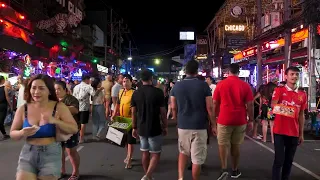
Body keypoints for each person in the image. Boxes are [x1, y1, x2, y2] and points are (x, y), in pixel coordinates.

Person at [10, 74, 78, 180]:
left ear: (49, 91)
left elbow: (74, 129)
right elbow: (13, 133)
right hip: (28, 153)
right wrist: (21, 133)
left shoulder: (59, 107)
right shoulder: (23, 109)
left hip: (51, 153)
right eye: (33, 88)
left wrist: (54, 121)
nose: (36, 92)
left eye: (41, 88)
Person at [170, 60, 215, 180]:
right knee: (197, 159)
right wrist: (214, 125)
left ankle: (180, 178)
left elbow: (173, 106)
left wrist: (175, 118)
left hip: (183, 125)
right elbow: (210, 107)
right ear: (197, 71)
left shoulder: (176, 86)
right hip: (200, 125)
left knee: (183, 152)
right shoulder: (204, 85)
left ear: (185, 71)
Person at [213, 63, 254, 179]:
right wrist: (251, 120)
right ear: (238, 72)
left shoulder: (220, 85)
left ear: (228, 72)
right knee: (235, 146)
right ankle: (235, 170)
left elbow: (215, 103)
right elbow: (250, 104)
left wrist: (215, 117)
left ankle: (224, 168)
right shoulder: (245, 85)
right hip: (240, 120)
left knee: (222, 145)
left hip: (224, 119)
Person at [271, 66, 307, 180]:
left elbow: (301, 115)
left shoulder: (302, 94)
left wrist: (301, 134)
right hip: (279, 130)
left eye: (296, 74)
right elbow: (273, 105)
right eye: (292, 74)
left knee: (289, 160)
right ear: (285, 76)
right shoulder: (279, 90)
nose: (294, 76)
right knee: (279, 160)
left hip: (294, 132)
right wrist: (290, 111)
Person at [131, 69, 168, 180]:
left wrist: (134, 127)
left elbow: (133, 112)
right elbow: (163, 112)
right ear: (151, 78)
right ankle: (147, 175)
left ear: (141, 80)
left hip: (141, 127)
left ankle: (148, 176)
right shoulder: (158, 92)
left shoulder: (136, 93)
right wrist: (165, 125)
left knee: (145, 153)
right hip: (155, 127)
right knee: (156, 154)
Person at [55, 81, 81, 180]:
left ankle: (76, 172)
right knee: (59, 152)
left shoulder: (71, 99)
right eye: (55, 89)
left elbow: (75, 110)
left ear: (65, 90)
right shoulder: (52, 100)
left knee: (71, 151)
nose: (56, 91)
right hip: (57, 129)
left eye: (58, 89)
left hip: (69, 130)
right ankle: (62, 171)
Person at [111, 74, 136, 169]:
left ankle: (129, 159)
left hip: (131, 119)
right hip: (122, 119)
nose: (125, 83)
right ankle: (129, 155)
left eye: (127, 81)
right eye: (124, 81)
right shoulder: (121, 91)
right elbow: (117, 104)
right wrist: (114, 115)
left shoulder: (134, 93)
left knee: (130, 140)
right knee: (125, 140)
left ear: (131, 82)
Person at [73, 75, 101, 143]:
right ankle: (81, 139)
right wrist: (99, 90)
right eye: (89, 80)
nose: (90, 81)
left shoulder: (76, 86)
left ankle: (76, 137)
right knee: (83, 123)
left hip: (76, 106)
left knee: (77, 122)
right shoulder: (88, 86)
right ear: (86, 79)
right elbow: (94, 94)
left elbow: (73, 96)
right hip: (84, 107)